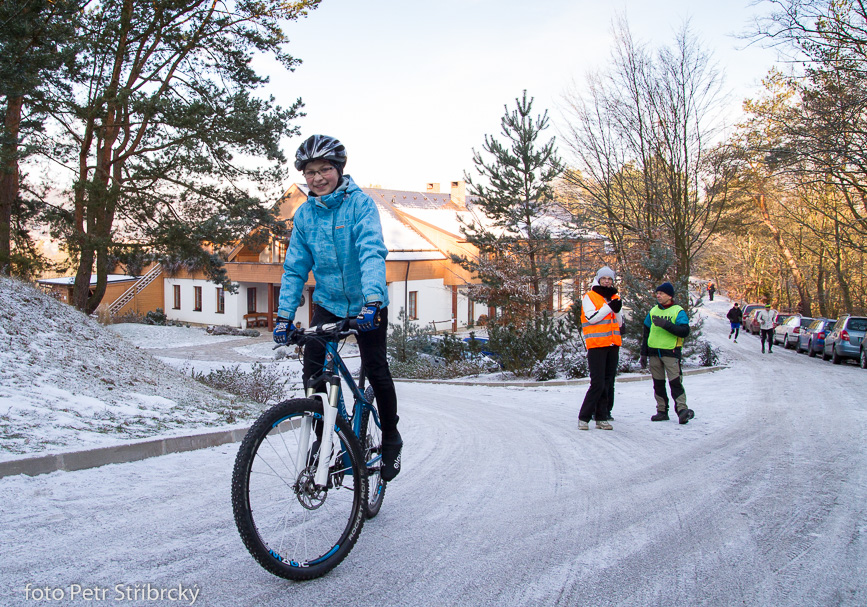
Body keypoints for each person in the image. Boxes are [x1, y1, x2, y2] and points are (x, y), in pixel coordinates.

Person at [273, 134, 402, 481]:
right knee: (312, 375)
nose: (317, 178)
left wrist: (373, 301)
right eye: (310, 171)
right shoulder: (304, 216)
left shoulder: (360, 205)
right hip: (328, 302)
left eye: (325, 169)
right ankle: (324, 441)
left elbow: (371, 251)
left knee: (376, 368)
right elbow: (295, 268)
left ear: (339, 170)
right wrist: (284, 317)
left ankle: (390, 436)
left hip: (366, 303)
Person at [639, 282, 695, 424]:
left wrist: (666, 325)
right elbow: (646, 333)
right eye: (657, 293)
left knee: (675, 383)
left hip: (671, 352)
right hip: (654, 353)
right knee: (658, 384)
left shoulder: (678, 311)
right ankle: (662, 411)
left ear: (670, 296)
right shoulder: (652, 312)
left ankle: (682, 410)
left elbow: (685, 331)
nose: (658, 296)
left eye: (661, 293)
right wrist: (643, 353)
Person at [577, 266, 623, 431]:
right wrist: (609, 307)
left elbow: (620, 323)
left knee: (607, 382)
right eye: (604, 278)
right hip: (596, 345)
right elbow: (592, 318)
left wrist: (617, 310)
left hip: (612, 344)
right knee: (597, 383)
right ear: (598, 279)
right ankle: (584, 416)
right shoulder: (590, 296)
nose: (607, 281)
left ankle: (602, 416)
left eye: (609, 279)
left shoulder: (615, 296)